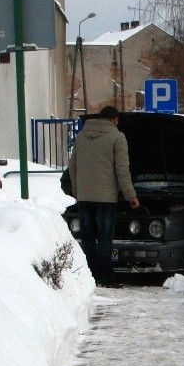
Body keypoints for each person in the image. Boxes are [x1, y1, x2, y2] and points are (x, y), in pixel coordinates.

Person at [68, 106, 139, 288]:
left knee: (88, 240)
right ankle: (106, 278)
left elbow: (73, 167)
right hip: (106, 198)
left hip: (84, 197)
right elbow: (122, 170)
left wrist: (77, 192)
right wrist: (130, 195)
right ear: (115, 119)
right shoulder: (117, 137)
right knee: (104, 241)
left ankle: (90, 278)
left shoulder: (82, 136)